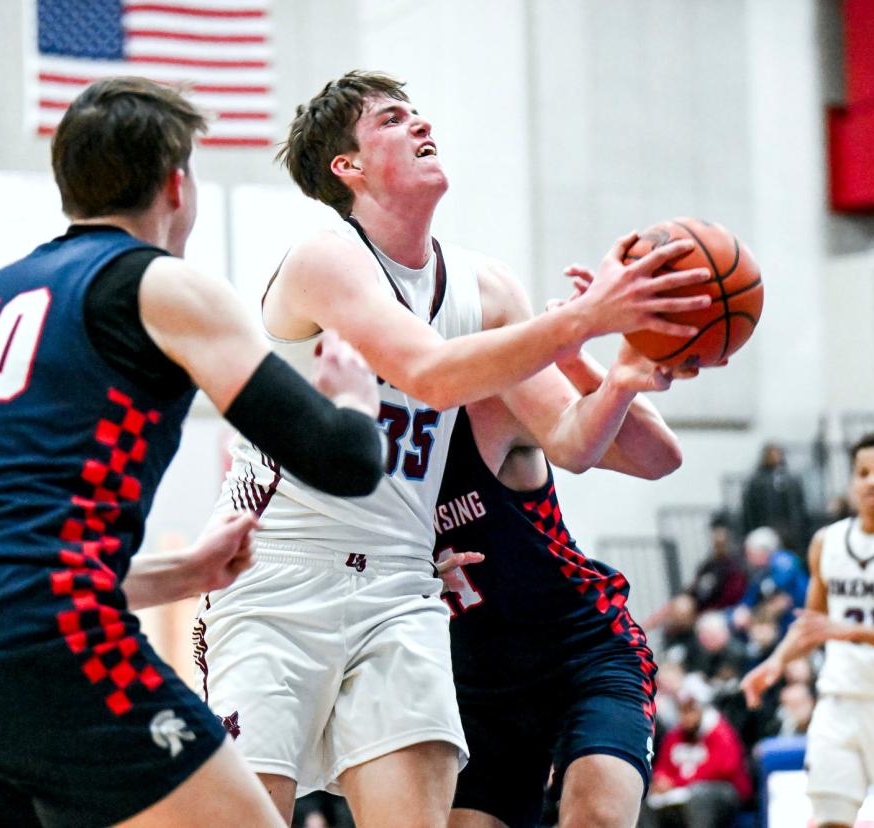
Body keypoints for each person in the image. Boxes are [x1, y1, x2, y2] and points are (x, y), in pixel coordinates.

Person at [193, 70, 714, 826]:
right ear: (349, 167)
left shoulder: (484, 285)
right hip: (280, 578)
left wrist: (619, 373)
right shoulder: (324, 258)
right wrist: (587, 318)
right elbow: (431, 374)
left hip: (401, 584)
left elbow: (570, 438)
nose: (419, 123)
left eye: (418, 112)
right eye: (392, 120)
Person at [0, 77, 389, 828]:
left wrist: (184, 572)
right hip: (31, 635)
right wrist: (356, 399)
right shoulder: (159, 285)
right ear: (178, 185)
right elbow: (342, 461)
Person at [432, 334, 694, 828]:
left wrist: (595, 374)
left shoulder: (489, 407)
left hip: (585, 653)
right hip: (480, 687)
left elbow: (660, 457)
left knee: (595, 816)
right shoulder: (363, 459)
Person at [741, 433, 874, 828]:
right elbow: (811, 626)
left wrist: (849, 631)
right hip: (838, 699)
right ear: (850, 482)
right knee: (829, 818)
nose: (872, 482)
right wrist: (775, 663)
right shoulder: (827, 542)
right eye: (862, 473)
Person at [637, 675, 751, 828]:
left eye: (691, 711)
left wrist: (677, 783)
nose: (686, 718)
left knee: (699, 796)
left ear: (702, 709)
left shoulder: (720, 731)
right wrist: (661, 780)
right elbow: (663, 766)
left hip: (722, 794)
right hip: (680, 795)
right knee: (644, 800)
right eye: (682, 712)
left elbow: (722, 770)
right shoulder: (674, 735)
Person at [740, 442, 810, 555]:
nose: (777, 457)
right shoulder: (758, 480)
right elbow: (751, 508)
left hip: (787, 529)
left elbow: (796, 506)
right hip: (765, 526)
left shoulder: (788, 478)